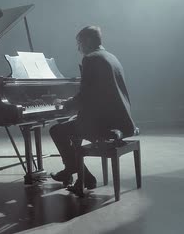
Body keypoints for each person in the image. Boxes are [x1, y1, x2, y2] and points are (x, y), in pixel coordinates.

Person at [50, 26, 137, 190]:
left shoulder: (90, 59)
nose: (78, 48)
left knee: (56, 131)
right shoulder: (111, 57)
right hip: (121, 120)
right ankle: (84, 178)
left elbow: (85, 96)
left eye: (79, 43)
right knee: (73, 128)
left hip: (105, 124)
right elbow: (97, 94)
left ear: (88, 41)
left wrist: (65, 104)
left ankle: (72, 169)